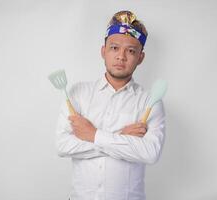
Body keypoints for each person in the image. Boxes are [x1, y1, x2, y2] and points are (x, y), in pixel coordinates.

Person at [55, 10, 166, 200]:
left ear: (140, 57)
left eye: (131, 51)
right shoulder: (78, 94)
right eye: (114, 48)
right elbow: (63, 145)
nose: (121, 56)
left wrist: (93, 135)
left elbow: (150, 153)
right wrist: (120, 138)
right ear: (103, 51)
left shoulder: (150, 101)